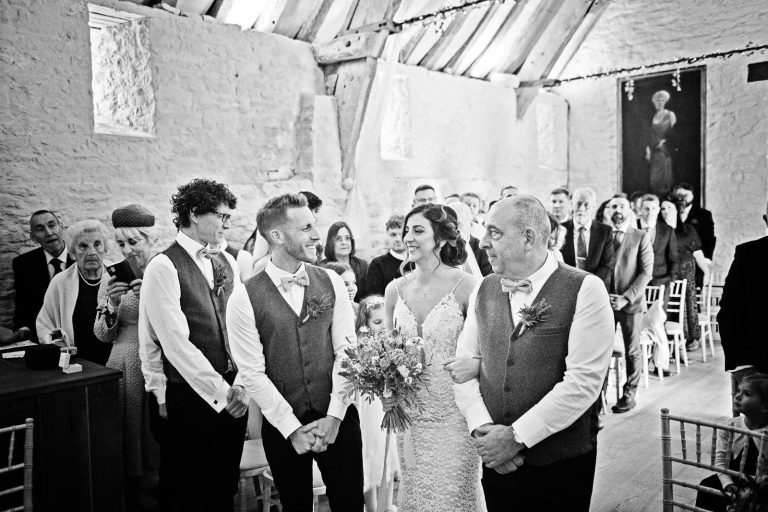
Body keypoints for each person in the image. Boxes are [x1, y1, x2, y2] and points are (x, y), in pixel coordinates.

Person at [454, 195, 614, 512]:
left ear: (528, 238)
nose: (483, 242)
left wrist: (516, 437)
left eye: (494, 232)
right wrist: (483, 430)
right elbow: (464, 369)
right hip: (496, 461)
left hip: (560, 464)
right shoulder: (484, 288)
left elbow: (583, 383)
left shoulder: (585, 288)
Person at [226, 192, 364, 512]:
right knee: (295, 506)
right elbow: (252, 372)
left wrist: (334, 417)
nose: (317, 235)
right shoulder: (244, 298)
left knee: (350, 504)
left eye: (314, 226)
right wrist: (292, 429)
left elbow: (348, 353)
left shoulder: (331, 281)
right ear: (276, 236)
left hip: (339, 417)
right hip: (283, 425)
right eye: (305, 228)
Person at [138, 178, 248, 512]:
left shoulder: (227, 261)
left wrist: (241, 383)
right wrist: (221, 392)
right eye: (221, 216)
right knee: (187, 490)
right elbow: (175, 344)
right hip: (190, 396)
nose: (227, 224)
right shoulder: (163, 266)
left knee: (222, 487)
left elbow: (243, 327)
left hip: (234, 392)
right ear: (195, 214)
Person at [383, 203, 479, 510]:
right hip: (410, 417)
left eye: (418, 230)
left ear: (441, 238)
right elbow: (389, 352)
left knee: (453, 498)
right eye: (406, 230)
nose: (407, 237)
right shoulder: (394, 290)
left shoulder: (468, 287)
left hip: (455, 415)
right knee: (416, 496)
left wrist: (475, 364)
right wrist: (387, 385)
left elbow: (485, 351)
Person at [94, 204, 160, 510]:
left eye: (134, 242)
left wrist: (148, 293)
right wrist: (110, 303)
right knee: (125, 436)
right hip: (121, 360)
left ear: (149, 240)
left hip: (156, 361)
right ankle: (131, 496)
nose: (128, 250)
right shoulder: (112, 275)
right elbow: (102, 334)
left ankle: (156, 490)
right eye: (121, 244)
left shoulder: (162, 270)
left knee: (152, 438)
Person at [37, 219, 112, 365]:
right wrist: (57, 343)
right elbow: (44, 325)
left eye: (97, 244)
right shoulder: (60, 282)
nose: (91, 252)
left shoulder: (117, 275)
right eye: (83, 246)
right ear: (72, 252)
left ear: (105, 249)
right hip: (78, 363)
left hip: (113, 360)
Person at [695, 373, 768, 512]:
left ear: (765, 406)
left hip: (759, 486)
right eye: (738, 390)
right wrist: (728, 484)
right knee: (706, 487)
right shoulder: (729, 427)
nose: (737, 396)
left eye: (746, 393)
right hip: (731, 478)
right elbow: (720, 462)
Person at [606, 195, 653, 412]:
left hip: (631, 304)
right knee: (601, 350)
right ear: (608, 210)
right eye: (613, 206)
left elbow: (646, 272)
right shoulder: (602, 235)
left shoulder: (640, 237)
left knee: (632, 351)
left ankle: (629, 394)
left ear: (629, 210)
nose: (618, 210)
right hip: (605, 304)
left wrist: (626, 297)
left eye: (622, 206)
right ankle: (599, 395)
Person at [355, 295, 399, 512]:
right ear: (365, 324)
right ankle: (372, 507)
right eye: (377, 322)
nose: (383, 327)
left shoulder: (395, 345)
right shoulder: (360, 349)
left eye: (386, 321)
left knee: (390, 453)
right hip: (369, 409)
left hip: (389, 406)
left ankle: (387, 505)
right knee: (371, 454)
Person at [717, 200, 768, 375]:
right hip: (761, 367)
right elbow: (730, 311)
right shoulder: (749, 255)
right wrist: (742, 364)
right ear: (766, 220)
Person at [13, 210, 74, 342]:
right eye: (40, 229)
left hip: (78, 332)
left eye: (52, 225)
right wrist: (23, 330)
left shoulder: (81, 257)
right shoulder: (23, 264)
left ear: (61, 228)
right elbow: (23, 305)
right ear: (33, 237)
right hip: (41, 336)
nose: (48, 232)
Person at [660, 199, 710, 352]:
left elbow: (698, 253)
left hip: (686, 273)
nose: (666, 210)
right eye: (662, 208)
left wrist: (707, 272)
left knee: (687, 304)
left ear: (676, 210)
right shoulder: (659, 231)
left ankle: (690, 338)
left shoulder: (688, 230)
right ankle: (666, 339)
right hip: (667, 273)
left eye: (669, 207)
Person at [560, 187, 614, 290]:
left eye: (586, 204)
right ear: (572, 205)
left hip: (594, 288)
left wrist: (589, 285)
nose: (581, 209)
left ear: (593, 207)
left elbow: (606, 265)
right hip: (566, 288)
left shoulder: (605, 231)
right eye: (578, 204)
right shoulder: (561, 229)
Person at [673, 183, 716, 287]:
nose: (681, 198)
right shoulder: (671, 212)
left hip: (696, 261)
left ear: (692, 196)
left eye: (685, 195)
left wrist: (706, 260)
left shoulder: (703, 215)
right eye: (679, 195)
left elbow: (709, 238)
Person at [637, 194, 679, 292]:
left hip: (661, 282)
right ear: (640, 210)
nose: (650, 212)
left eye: (653, 208)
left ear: (658, 210)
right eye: (646, 208)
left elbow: (674, 258)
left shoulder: (667, 230)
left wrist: (672, 279)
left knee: (659, 308)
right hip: (635, 282)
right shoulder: (632, 227)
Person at [321, 221, 369, 302]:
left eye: (347, 238)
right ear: (330, 242)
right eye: (338, 239)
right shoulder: (322, 268)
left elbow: (368, 296)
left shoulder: (363, 265)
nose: (344, 242)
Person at [364, 215, 408, 297]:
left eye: (402, 234)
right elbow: (374, 299)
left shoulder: (417, 261)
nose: (398, 239)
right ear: (387, 236)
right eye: (393, 235)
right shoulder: (377, 265)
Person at [646, 90, 677, 196]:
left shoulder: (670, 115)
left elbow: (674, 134)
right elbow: (647, 135)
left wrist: (665, 141)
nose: (660, 102)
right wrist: (648, 149)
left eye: (662, 100)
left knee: (665, 177)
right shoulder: (652, 116)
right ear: (654, 102)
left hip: (665, 150)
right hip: (654, 150)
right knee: (654, 178)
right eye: (658, 100)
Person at [453, 202, 491, 277]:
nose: (456, 229)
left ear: (470, 224)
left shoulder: (481, 247)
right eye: (451, 225)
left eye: (460, 224)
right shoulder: (442, 247)